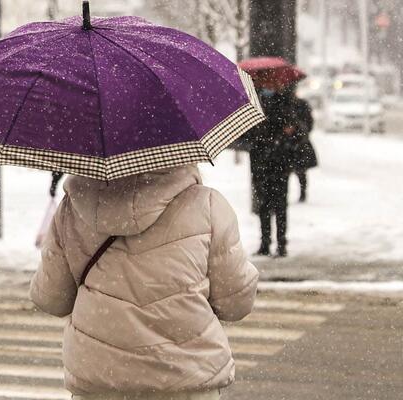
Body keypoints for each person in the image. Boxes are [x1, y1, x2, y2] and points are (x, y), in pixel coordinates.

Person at [30, 165, 258, 399]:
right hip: (185, 377)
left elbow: (51, 299)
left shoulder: (72, 209)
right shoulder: (206, 205)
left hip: (102, 377)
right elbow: (236, 303)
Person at [250, 87, 299, 257]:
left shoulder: (285, 104)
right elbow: (251, 137)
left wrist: (286, 136)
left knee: (279, 206)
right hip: (262, 165)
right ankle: (265, 243)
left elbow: (296, 134)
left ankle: (281, 243)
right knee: (264, 206)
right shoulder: (254, 103)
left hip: (279, 165)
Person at [289, 93, 317, 203]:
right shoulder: (299, 104)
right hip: (297, 142)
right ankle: (302, 193)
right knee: (300, 171)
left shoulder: (300, 105)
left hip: (299, 142)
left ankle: (302, 193)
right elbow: (309, 123)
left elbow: (309, 123)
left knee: (300, 171)